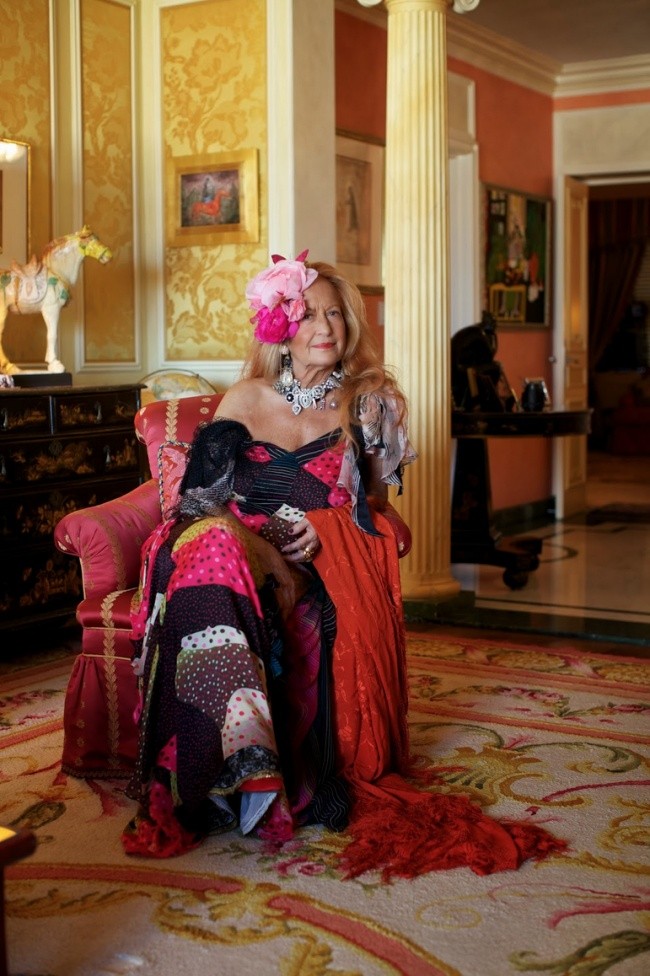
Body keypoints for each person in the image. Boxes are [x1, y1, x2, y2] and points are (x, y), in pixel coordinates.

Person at [122, 252, 565, 879]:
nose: (326, 327)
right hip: (227, 545)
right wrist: (261, 545)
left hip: (316, 562)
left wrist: (324, 529)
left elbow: (375, 507)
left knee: (229, 566)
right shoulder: (244, 399)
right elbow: (198, 503)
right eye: (309, 314)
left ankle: (232, 769)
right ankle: (230, 764)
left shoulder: (369, 404)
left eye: (336, 314)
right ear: (280, 327)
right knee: (213, 549)